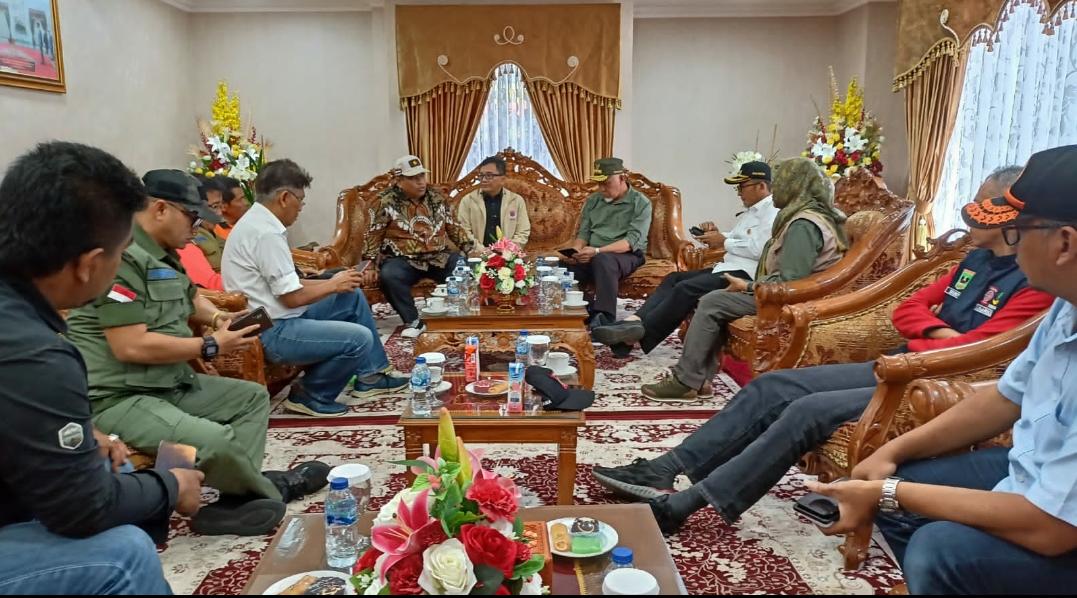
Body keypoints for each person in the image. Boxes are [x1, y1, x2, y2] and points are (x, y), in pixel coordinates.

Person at [591, 166, 1054, 535]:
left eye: (986, 203)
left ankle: (685, 504)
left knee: (807, 411)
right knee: (774, 386)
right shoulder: (973, 259)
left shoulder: (1035, 280)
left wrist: (930, 343)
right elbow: (910, 307)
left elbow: (986, 349)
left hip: (933, 381)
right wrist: (937, 333)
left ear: (1013, 218)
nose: (973, 212)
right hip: (898, 361)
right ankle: (666, 468)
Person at [808, 146, 1077, 595]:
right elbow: (1005, 397)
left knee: (940, 547)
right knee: (896, 483)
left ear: (1064, 243)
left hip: (1058, 528)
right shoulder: (1065, 308)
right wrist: (892, 455)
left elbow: (1053, 528)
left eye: (1018, 232)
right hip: (1033, 476)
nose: (1011, 244)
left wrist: (887, 493)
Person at [66, 169, 328, 537]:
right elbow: (129, 345)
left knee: (250, 398)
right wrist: (209, 344)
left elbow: (189, 298)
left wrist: (221, 316)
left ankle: (235, 500)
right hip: (120, 396)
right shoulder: (119, 258)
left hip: (167, 380)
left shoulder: (164, 253)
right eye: (192, 217)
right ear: (160, 209)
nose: (197, 228)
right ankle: (274, 489)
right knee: (214, 439)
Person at [0, 142, 202, 594]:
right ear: (90, 265)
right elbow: (80, 509)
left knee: (117, 470)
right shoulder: (36, 354)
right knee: (123, 554)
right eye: (119, 254)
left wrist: (84, 433)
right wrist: (171, 485)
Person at [642, 157, 848, 400]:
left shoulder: (804, 224)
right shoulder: (804, 215)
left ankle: (686, 380)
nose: (775, 189)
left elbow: (792, 283)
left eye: (781, 183)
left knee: (712, 302)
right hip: (783, 291)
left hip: (792, 301)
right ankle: (699, 381)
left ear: (796, 185)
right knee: (711, 298)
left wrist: (748, 286)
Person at [223, 159, 407, 417]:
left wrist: (335, 283)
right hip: (271, 330)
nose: (301, 209)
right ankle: (311, 394)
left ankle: (371, 377)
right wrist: (331, 284)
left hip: (274, 316)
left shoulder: (258, 223)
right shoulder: (265, 234)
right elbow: (291, 298)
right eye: (301, 200)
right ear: (285, 197)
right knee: (358, 339)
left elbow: (288, 285)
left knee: (351, 296)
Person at [592, 161, 779, 358]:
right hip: (728, 266)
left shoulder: (772, 213)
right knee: (673, 278)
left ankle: (632, 336)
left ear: (761, 186)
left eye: (742, 187)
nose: (739, 193)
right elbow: (738, 238)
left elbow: (761, 250)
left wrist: (723, 241)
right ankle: (632, 321)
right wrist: (715, 235)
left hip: (744, 274)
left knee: (685, 289)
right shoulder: (752, 211)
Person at [361, 155, 476, 337]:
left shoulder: (437, 197)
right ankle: (413, 321)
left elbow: (453, 227)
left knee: (464, 267)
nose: (421, 182)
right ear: (399, 180)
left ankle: (458, 317)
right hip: (403, 260)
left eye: (422, 176)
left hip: (438, 257)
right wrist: (369, 265)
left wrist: (470, 249)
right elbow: (373, 235)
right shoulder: (384, 201)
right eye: (414, 178)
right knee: (389, 275)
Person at [563, 158, 653, 328]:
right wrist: (575, 252)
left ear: (622, 178)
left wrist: (597, 251)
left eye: (606, 183)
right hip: (594, 254)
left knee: (603, 260)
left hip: (626, 255)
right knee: (561, 266)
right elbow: (584, 233)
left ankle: (605, 318)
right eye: (598, 184)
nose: (601, 189)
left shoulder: (640, 202)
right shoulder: (593, 201)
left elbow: (630, 242)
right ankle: (584, 312)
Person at [456, 155, 531, 248]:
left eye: (489, 176)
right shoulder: (468, 200)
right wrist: (482, 251)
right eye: (481, 176)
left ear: (503, 179)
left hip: (507, 255)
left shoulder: (516, 200)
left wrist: (507, 250)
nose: (483, 180)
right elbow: (464, 232)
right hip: (476, 255)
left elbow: (522, 232)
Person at [177, 175, 226, 290]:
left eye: (220, 205)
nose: (219, 213)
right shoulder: (185, 240)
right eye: (213, 207)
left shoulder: (213, 232)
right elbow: (209, 284)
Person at [214, 175, 250, 241]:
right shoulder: (217, 234)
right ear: (223, 206)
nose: (246, 203)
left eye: (244, 198)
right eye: (241, 199)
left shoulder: (248, 224)